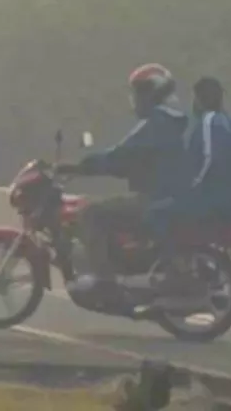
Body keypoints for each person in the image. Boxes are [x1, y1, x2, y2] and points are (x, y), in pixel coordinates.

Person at [54, 63, 189, 296]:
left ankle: (104, 281)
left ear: (151, 94)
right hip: (171, 196)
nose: (135, 99)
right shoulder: (175, 121)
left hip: (156, 199)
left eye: (138, 93)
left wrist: (81, 166)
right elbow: (132, 162)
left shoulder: (157, 124)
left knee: (90, 213)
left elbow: (120, 156)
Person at [143, 76, 231, 267]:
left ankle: (173, 265)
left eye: (194, 98)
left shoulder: (210, 121)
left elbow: (208, 158)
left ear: (201, 99)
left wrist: (190, 187)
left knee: (155, 213)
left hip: (212, 198)